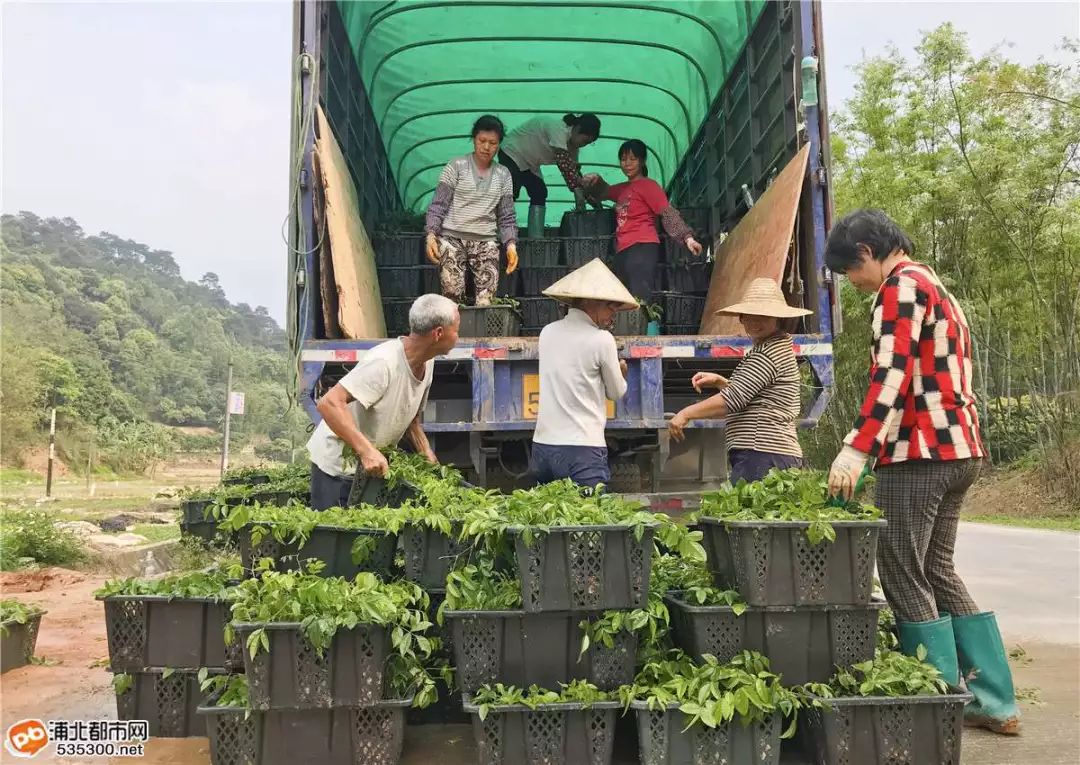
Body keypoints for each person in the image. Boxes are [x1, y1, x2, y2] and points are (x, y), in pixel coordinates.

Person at [824, 209, 1019, 736]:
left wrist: (858, 447)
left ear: (866, 251)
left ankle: (933, 706)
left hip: (921, 452)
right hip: (961, 449)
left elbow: (893, 372)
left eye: (848, 271)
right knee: (937, 570)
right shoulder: (937, 286)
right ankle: (993, 701)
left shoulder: (899, 289)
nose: (852, 283)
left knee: (901, 569)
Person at [306, 294, 460, 511]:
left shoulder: (428, 363)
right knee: (337, 539)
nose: (458, 336)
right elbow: (329, 403)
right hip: (338, 468)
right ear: (438, 333)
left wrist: (426, 453)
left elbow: (411, 417)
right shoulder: (384, 363)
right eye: (457, 329)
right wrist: (366, 451)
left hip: (368, 472)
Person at [667, 278, 808, 482]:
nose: (756, 322)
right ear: (741, 318)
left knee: (753, 513)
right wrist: (721, 382)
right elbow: (757, 397)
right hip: (769, 454)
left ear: (777, 318)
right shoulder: (773, 348)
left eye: (764, 316)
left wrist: (685, 413)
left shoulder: (768, 354)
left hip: (763, 453)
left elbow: (732, 400)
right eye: (751, 316)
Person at [531, 259, 635, 489]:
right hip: (582, 451)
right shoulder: (602, 340)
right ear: (591, 301)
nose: (613, 314)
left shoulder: (547, 333)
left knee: (548, 521)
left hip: (543, 449)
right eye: (610, 306)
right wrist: (621, 373)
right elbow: (616, 393)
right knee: (592, 522)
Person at [582, 139, 703, 299]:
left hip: (642, 247)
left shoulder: (649, 186)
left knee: (640, 296)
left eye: (633, 159)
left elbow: (667, 213)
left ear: (642, 161)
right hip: (623, 249)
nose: (627, 164)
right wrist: (595, 180)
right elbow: (603, 192)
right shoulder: (622, 189)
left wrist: (688, 238)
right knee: (624, 298)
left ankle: (648, 324)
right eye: (623, 159)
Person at [425, 115, 518, 306]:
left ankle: (482, 336)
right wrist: (431, 235)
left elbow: (506, 216)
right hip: (452, 238)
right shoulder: (456, 166)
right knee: (451, 296)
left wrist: (510, 245)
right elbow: (438, 205)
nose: (486, 147)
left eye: (493, 143)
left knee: (486, 300)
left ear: (499, 144)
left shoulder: (503, 174)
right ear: (474, 139)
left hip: (486, 241)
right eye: (482, 141)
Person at [498, 113, 602, 237]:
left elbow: (575, 174)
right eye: (585, 141)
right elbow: (563, 162)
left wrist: (590, 198)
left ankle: (535, 238)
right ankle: (502, 233)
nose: (583, 145)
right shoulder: (558, 128)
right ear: (577, 129)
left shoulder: (573, 147)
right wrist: (577, 192)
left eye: (588, 143)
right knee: (511, 190)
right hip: (512, 152)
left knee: (540, 192)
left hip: (529, 163)